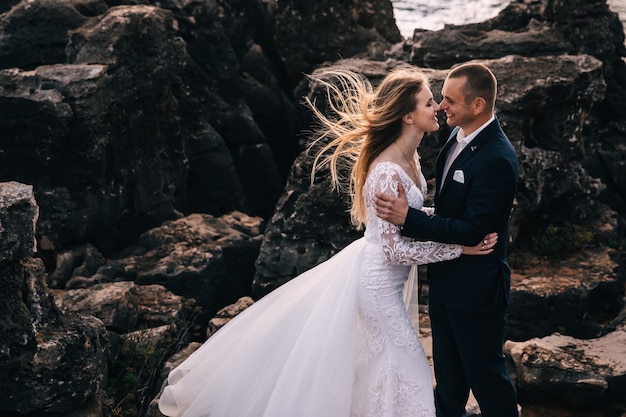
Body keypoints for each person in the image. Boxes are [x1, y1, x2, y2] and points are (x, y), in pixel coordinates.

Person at [158, 67, 497, 417]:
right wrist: (458, 247)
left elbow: (411, 214)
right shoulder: (386, 171)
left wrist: (456, 221)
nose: (438, 107)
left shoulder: (411, 157)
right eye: (430, 102)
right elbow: (395, 250)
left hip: (387, 281)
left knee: (381, 368)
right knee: (408, 363)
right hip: (378, 282)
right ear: (409, 115)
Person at [374, 63, 519, 417]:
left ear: (478, 105)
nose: (441, 106)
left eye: (450, 101)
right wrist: (422, 217)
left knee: (486, 378)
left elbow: (472, 230)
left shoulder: (497, 158)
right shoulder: (455, 136)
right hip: (444, 283)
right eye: (439, 99)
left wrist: (410, 218)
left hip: (476, 291)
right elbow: (451, 208)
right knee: (450, 380)